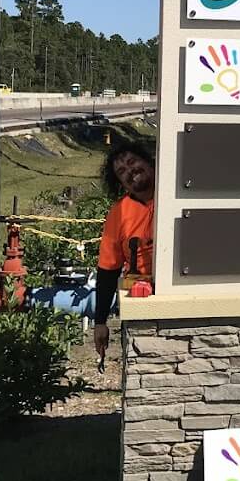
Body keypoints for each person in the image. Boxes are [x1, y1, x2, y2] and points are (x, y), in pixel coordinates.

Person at [92, 137, 155, 365]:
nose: (130, 171)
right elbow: (108, 270)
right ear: (121, 184)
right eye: (122, 171)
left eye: (132, 162)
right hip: (142, 297)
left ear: (149, 162)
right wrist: (100, 322)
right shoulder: (118, 214)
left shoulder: (176, 192)